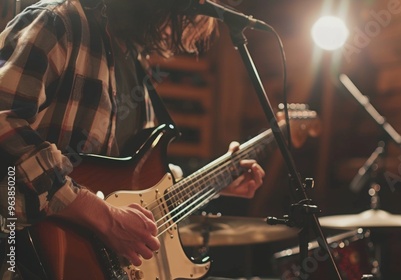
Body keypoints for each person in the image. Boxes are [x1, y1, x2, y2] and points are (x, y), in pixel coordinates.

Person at [0, 0, 265, 277]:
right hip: (18, 256)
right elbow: (4, 120)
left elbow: (138, 186)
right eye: (182, 14)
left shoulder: (137, 69)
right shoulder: (59, 23)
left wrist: (216, 184)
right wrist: (104, 218)